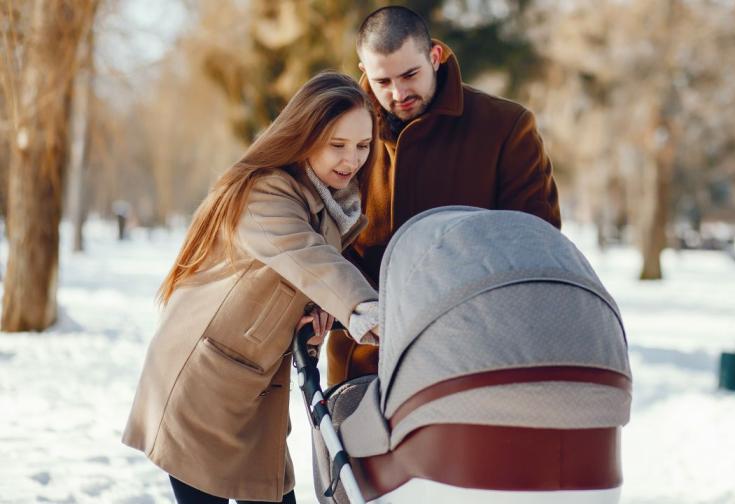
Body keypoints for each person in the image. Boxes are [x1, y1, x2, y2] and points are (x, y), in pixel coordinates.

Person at [122, 71, 382, 503]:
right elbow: (308, 257)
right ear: (304, 137)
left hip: (255, 394)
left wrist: (316, 318)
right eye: (337, 145)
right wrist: (367, 311)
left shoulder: (332, 205)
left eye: (362, 145)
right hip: (203, 387)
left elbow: (301, 281)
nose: (351, 159)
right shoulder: (266, 193)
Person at [325, 6, 562, 385]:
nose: (398, 93)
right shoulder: (341, 136)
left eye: (410, 75)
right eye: (382, 81)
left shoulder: (505, 128)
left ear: (434, 56)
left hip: (475, 361)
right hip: (366, 362)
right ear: (363, 71)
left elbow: (536, 245)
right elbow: (319, 239)